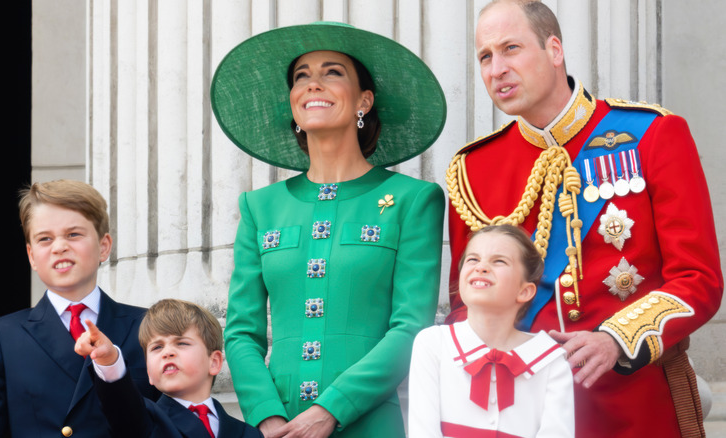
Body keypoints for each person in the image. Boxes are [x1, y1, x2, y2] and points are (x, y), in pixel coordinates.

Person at [445, 1, 724, 437]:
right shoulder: (474, 169)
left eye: (511, 48)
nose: (496, 69)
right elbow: (466, 302)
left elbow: (698, 278)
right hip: (520, 408)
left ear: (554, 49)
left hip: (631, 401)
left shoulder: (652, 135)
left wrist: (616, 339)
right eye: (485, 56)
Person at [210, 22, 447, 437]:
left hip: (370, 423)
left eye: (332, 72)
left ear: (364, 100)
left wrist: (331, 410)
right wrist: (267, 417)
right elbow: (242, 332)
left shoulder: (414, 200)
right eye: (301, 77)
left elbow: (411, 327)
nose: (312, 85)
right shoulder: (259, 207)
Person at [0, 179, 158, 437]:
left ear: (104, 246)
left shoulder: (146, 325)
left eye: (73, 234)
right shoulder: (2, 337)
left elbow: (171, 421)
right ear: (31, 256)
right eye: (45, 239)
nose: (59, 247)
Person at [409, 225, 573, 437]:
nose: (481, 267)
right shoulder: (433, 344)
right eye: (473, 259)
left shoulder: (550, 361)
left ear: (525, 291)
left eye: (499, 261)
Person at [75, 298, 263, 438]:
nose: (167, 352)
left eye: (181, 343)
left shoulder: (249, 433)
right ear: (149, 372)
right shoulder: (145, 420)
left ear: (214, 362)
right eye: (157, 347)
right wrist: (109, 359)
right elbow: (122, 405)